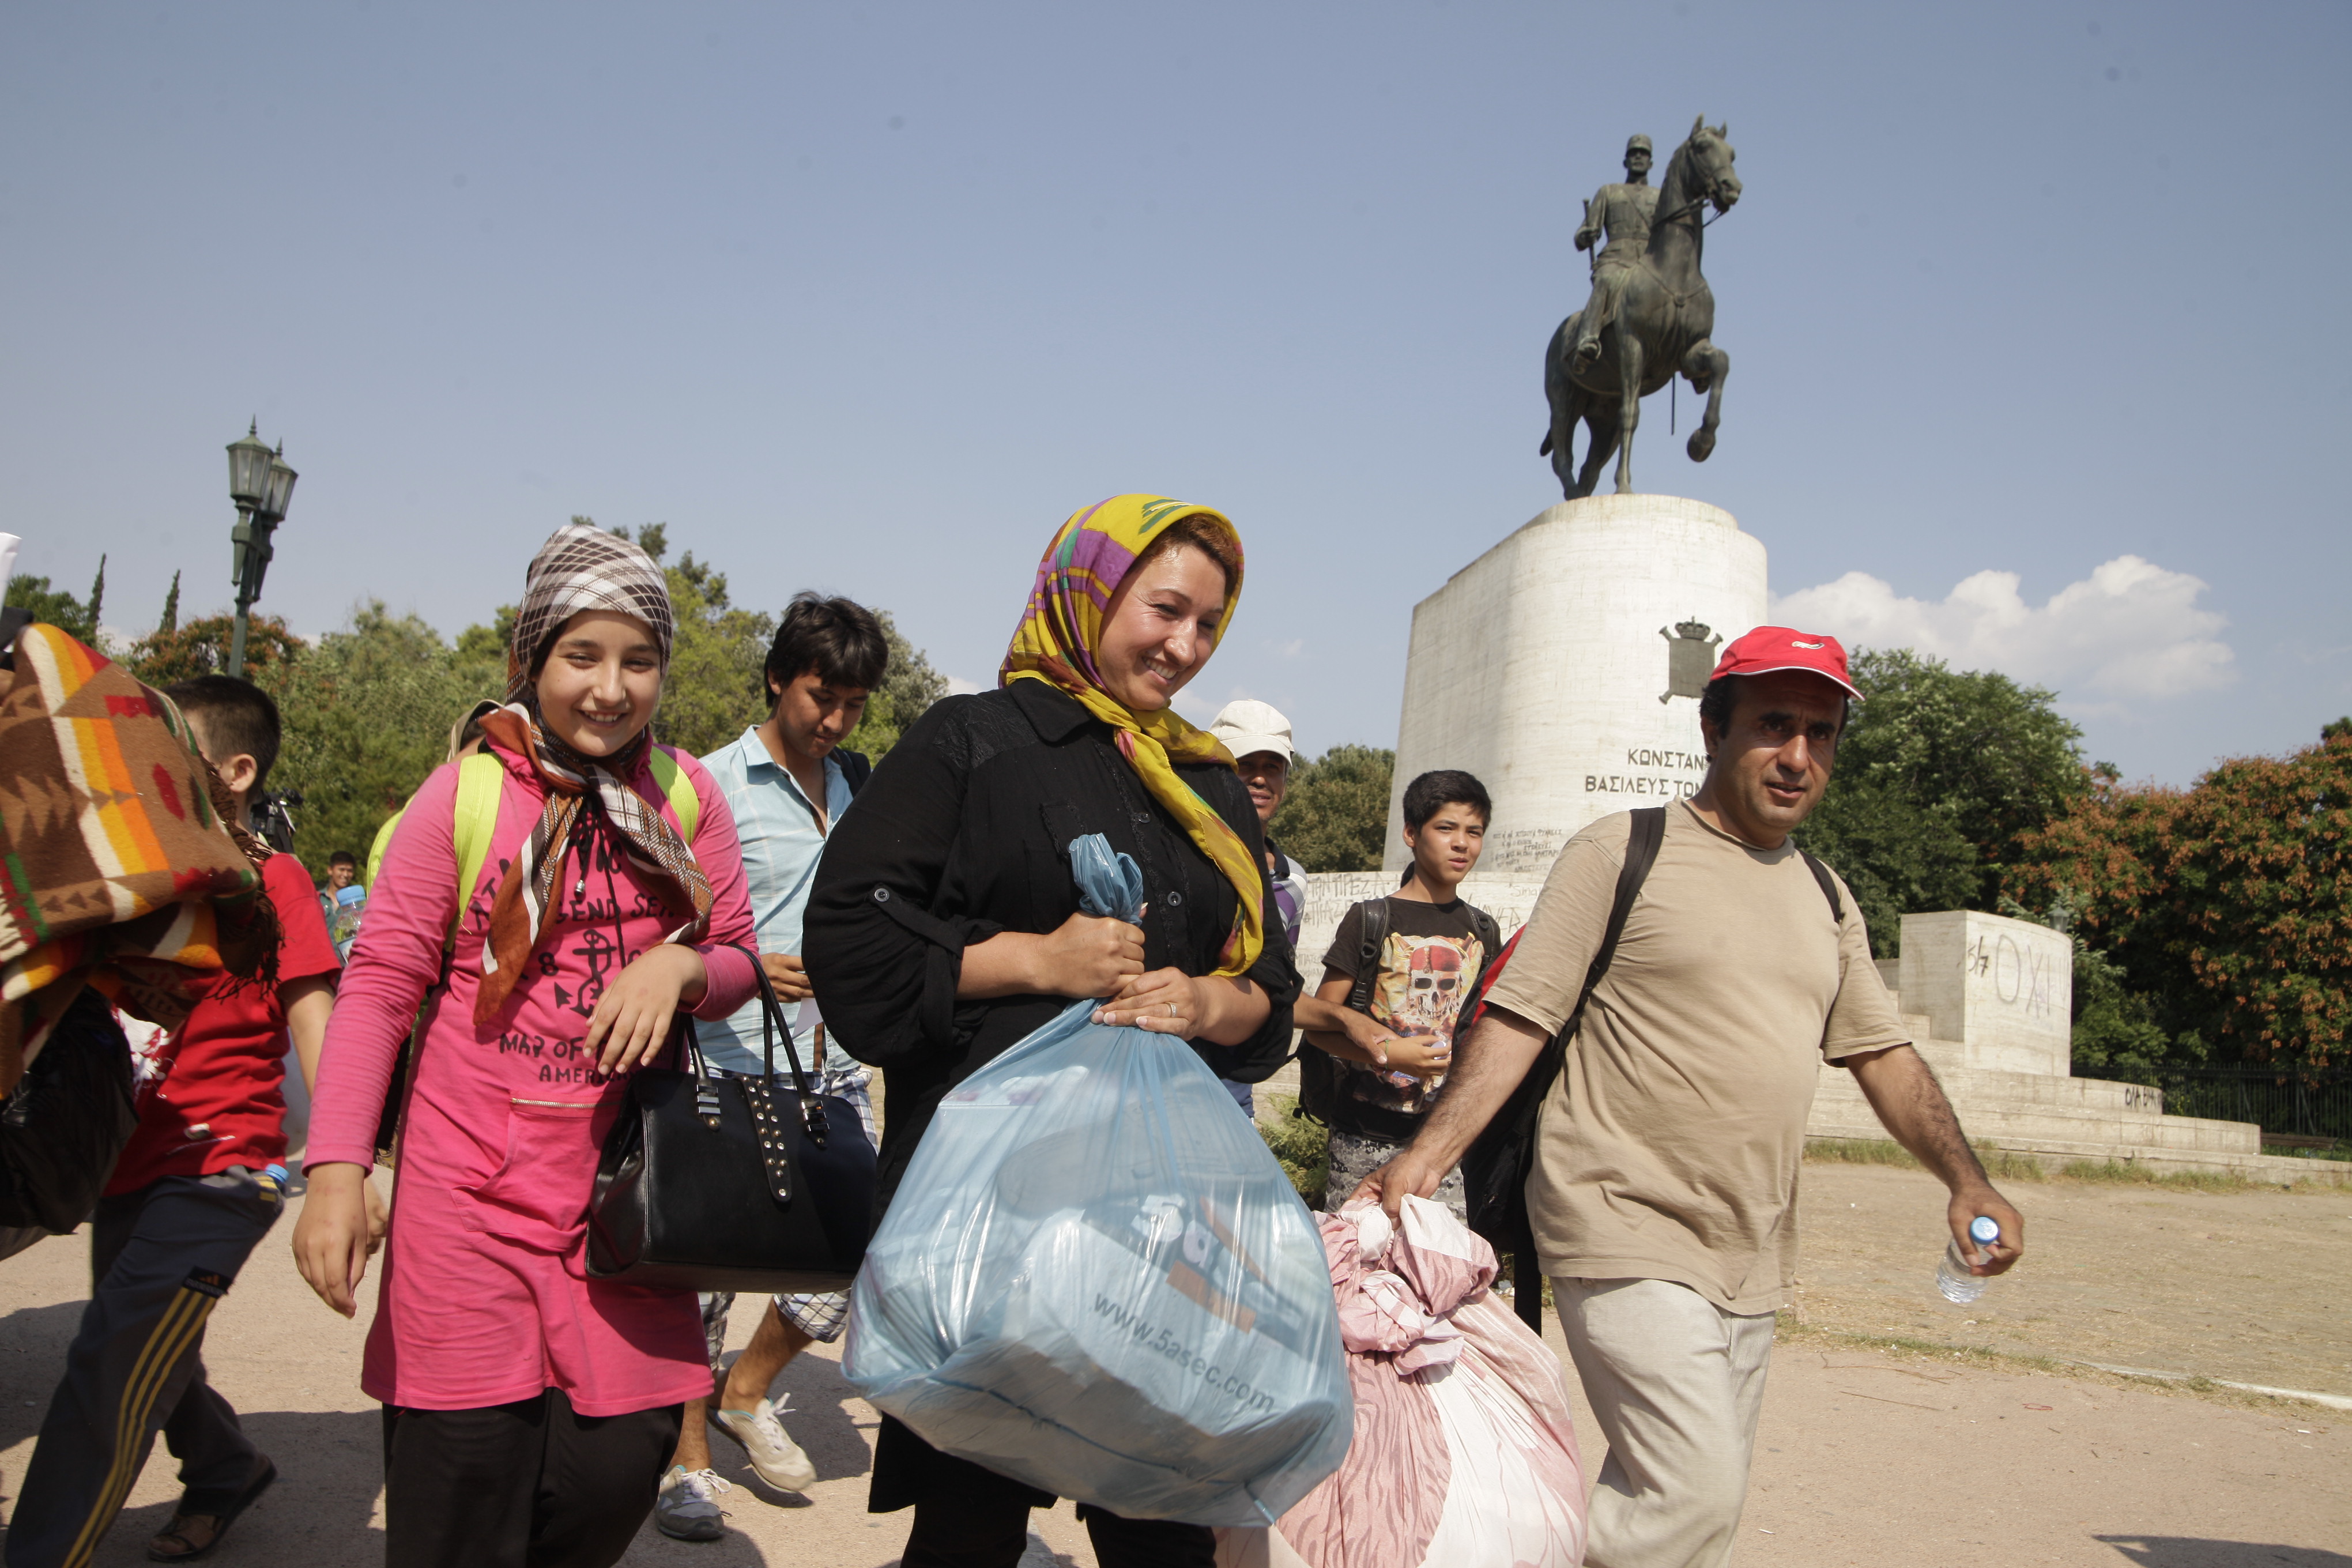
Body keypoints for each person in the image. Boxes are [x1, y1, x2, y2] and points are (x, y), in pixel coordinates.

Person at [1359, 627, 2026, 1568]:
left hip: (1750, 1252)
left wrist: (1968, 1180)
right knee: (1692, 1493)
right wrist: (1426, 1159)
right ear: (1714, 730)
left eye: (1822, 733)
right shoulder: (1622, 851)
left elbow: (1883, 1055)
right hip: (1618, 1219)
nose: (1799, 756)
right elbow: (1520, 1020)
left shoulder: (1829, 898)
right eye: (1775, 726)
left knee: (1681, 1523)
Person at [805, 493, 1300, 1568]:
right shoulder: (974, 741)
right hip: (985, 1228)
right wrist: (1036, 961)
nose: (1185, 645)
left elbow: (1271, 989)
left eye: (1208, 625)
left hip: (1160, 1235)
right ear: (1088, 592)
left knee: (1163, 1528)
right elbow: (852, 943)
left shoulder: (1206, 782)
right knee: (972, 1529)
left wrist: (1211, 1003)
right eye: (1164, 608)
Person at [292, 522, 761, 1568]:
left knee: (611, 1478)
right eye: (581, 657)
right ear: (529, 660)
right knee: (461, 1500)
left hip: (628, 1213)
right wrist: (334, 1171)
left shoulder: (684, 798)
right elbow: (377, 989)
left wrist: (680, 968)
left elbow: (738, 955)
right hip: (467, 1206)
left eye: (639, 661)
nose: (610, 688)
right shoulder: (463, 795)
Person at [9, 676, 344, 1567]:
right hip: (121, 1164)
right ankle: (227, 1467)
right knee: (151, 1341)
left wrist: (343, 1176)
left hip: (223, 1169)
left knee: (108, 1369)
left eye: (161, 757)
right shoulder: (122, 876)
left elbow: (318, 1023)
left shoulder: (275, 882)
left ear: (233, 772)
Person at [654, 593, 889, 1541]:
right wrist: (745, 972)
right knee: (701, 1278)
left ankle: (745, 1393)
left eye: (851, 704)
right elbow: (667, 926)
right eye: (818, 696)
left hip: (835, 1065)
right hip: (729, 1058)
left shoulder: (862, 787)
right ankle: (686, 1462)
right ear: (777, 681)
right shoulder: (704, 783)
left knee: (846, 1257)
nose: (832, 720)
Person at [1302, 770, 1497, 1220]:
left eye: (1474, 832)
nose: (1462, 844)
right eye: (1446, 828)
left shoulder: (1484, 930)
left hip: (1443, 1148)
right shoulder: (1371, 920)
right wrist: (1389, 1053)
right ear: (1411, 833)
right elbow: (1319, 1026)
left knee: (1440, 1275)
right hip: (1363, 1138)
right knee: (1356, 1270)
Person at [1571, 133, 1660, 369]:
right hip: (1616, 259)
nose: (1638, 157)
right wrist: (1585, 235)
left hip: (1649, 264)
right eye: (1633, 153)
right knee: (1605, 280)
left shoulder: (1660, 197)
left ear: (1651, 163)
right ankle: (1588, 339)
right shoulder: (1609, 192)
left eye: (1643, 153)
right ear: (1625, 162)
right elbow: (1582, 236)